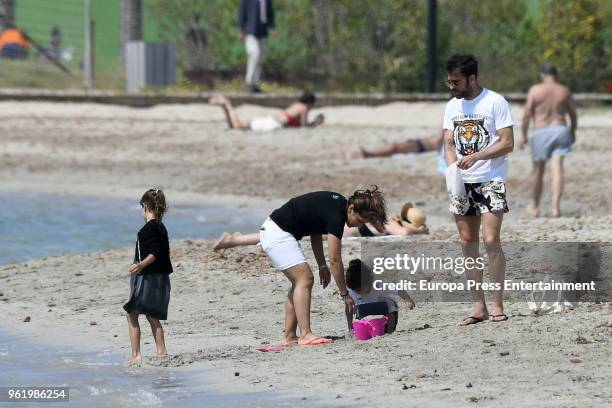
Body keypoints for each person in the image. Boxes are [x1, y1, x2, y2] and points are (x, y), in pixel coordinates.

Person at [226, 188, 388, 346]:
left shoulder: (336, 204)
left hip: (274, 230)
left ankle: (289, 337)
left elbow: (315, 231)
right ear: (351, 208)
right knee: (305, 279)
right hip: (278, 234)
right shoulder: (337, 216)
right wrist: (345, 294)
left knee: (299, 282)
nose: (357, 226)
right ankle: (305, 334)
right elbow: (335, 259)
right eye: (359, 221)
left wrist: (321, 265)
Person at [442, 54, 514, 325]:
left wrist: (478, 156)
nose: (452, 86)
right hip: (462, 182)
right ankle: (478, 305)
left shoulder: (495, 102)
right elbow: (449, 143)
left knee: (491, 239)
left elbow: (507, 143)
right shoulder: (451, 107)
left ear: (472, 78)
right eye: (449, 81)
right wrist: (453, 172)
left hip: (491, 179)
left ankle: (497, 303)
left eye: (456, 81)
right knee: (466, 242)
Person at [212, 201, 426, 250]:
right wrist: (419, 231)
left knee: (287, 233)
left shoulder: (383, 218)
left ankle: (238, 239)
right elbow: (405, 233)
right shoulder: (388, 222)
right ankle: (235, 240)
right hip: (335, 231)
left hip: (336, 230)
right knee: (288, 234)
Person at [123, 189, 173, 365]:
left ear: (145, 206)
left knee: (132, 314)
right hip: (161, 277)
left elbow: (155, 253)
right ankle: (162, 351)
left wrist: (140, 264)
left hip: (147, 277)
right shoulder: (160, 227)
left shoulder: (146, 230)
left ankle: (136, 355)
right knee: (152, 315)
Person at [521, 64, 577, 218]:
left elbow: (527, 115)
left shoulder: (535, 90)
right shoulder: (563, 90)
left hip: (541, 131)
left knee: (538, 171)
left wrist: (524, 134)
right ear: (555, 75)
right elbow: (573, 115)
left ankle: (534, 206)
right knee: (557, 168)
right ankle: (555, 208)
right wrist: (572, 132)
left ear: (542, 75)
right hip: (560, 129)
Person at [345, 259, 415, 334]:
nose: (359, 293)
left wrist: (407, 299)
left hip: (384, 310)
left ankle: (388, 328)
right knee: (360, 315)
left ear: (368, 281)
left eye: (360, 290)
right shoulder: (352, 290)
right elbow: (349, 309)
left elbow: (398, 288)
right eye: (356, 291)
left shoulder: (378, 283)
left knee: (390, 310)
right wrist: (350, 326)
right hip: (366, 311)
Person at [209, 92, 324, 131]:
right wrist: (314, 124)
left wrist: (313, 123)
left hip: (271, 120)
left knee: (236, 126)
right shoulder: (304, 108)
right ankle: (227, 105)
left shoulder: (296, 105)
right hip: (273, 124)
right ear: (310, 103)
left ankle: (226, 107)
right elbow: (303, 126)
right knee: (237, 126)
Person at [238, 0, 275, 93]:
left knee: (260, 58)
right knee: (254, 54)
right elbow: (242, 12)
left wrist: (273, 27)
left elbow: (270, 13)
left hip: (262, 32)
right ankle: (249, 83)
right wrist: (240, 29)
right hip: (250, 31)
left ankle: (256, 84)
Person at [342, 130, 444, 160]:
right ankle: (358, 154)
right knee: (394, 147)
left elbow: (438, 140)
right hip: (420, 144)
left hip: (421, 146)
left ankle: (367, 154)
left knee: (394, 147)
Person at [344, 202, 429, 237]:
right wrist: (419, 231)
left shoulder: (388, 219)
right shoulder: (391, 222)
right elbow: (404, 232)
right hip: (348, 231)